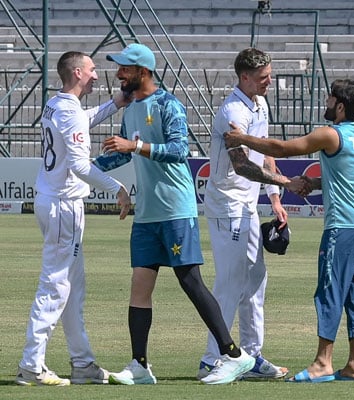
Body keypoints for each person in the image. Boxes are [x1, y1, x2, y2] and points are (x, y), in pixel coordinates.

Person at [93, 43, 255, 385]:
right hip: (148, 214)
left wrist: (134, 146)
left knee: (190, 281)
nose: (119, 73)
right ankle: (139, 366)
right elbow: (120, 155)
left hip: (175, 210)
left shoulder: (168, 104)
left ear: (143, 71)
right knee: (139, 286)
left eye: (125, 68)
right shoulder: (131, 108)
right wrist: (81, 168)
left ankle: (235, 355)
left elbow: (180, 150)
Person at [225, 78, 354, 383]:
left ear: (341, 106)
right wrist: (315, 183)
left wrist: (243, 138)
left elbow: (282, 149)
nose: (326, 102)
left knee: (329, 291)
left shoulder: (331, 135)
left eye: (331, 99)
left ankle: (323, 362)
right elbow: (349, 178)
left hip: (341, 227)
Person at [16, 51, 131, 386]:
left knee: (72, 288)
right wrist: (118, 188)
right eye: (92, 70)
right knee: (55, 285)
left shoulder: (58, 104)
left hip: (55, 201)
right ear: (78, 73)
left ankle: (82, 363)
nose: (97, 75)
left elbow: (82, 121)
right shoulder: (70, 112)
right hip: (64, 206)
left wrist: (114, 104)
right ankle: (31, 364)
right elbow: (81, 166)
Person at [197, 47, 306, 380]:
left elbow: (265, 152)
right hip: (227, 205)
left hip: (247, 205)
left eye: (270, 75)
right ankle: (212, 358)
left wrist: (274, 197)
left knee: (256, 279)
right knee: (230, 281)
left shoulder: (260, 103)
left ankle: (252, 355)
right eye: (263, 77)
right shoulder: (233, 110)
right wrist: (287, 182)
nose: (269, 81)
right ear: (244, 77)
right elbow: (242, 164)